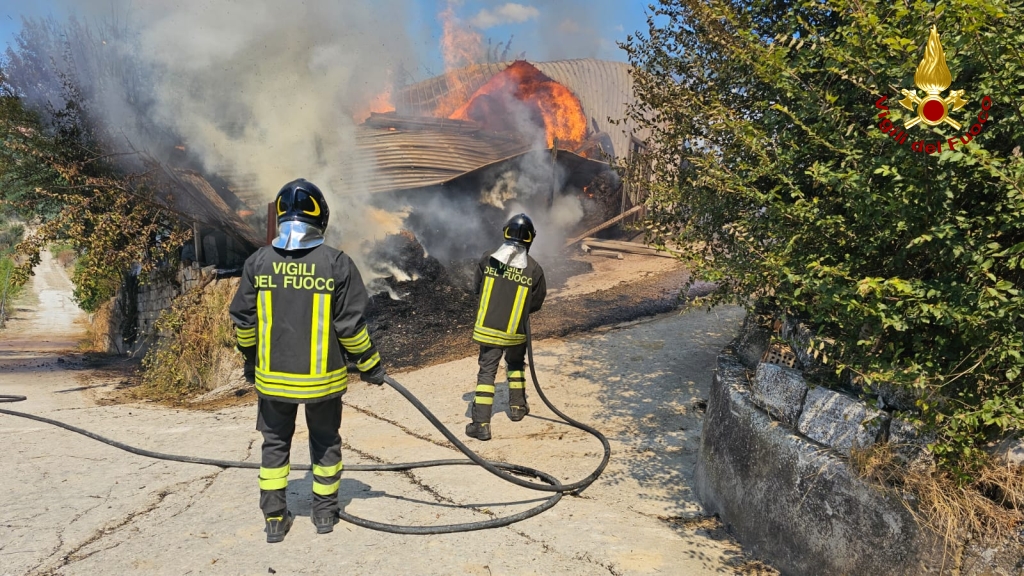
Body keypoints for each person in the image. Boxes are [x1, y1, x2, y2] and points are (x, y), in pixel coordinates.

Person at [229, 178, 387, 543]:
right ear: (321, 218)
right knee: (326, 443)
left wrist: (251, 362)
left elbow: (244, 322)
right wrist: (370, 366)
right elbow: (350, 328)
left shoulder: (258, 263)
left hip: (273, 381)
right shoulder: (337, 264)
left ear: (281, 217)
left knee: (274, 445)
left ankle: (273, 517)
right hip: (324, 383)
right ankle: (324, 514)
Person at [466, 213, 547, 441]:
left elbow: (477, 289)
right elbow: (537, 301)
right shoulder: (533, 269)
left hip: (488, 329)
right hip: (516, 332)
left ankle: (480, 424)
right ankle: (518, 408)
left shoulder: (488, 259)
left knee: (487, 373)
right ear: (530, 239)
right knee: (515, 365)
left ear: (505, 232)